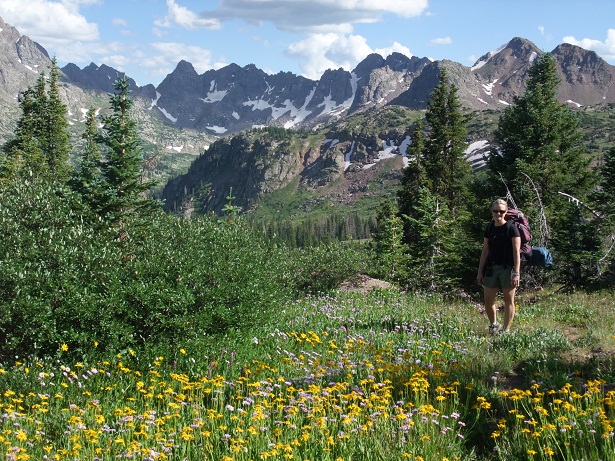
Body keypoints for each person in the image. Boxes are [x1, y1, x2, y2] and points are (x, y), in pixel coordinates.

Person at [476, 199, 521, 335]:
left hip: (508, 269)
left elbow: (516, 252)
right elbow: (485, 251)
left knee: (508, 300)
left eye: (501, 211)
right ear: (492, 212)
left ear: (506, 212)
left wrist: (516, 272)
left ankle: (506, 330)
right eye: (496, 211)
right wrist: (480, 271)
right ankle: (494, 325)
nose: (498, 213)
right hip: (491, 268)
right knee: (488, 300)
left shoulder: (511, 228)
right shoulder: (490, 227)